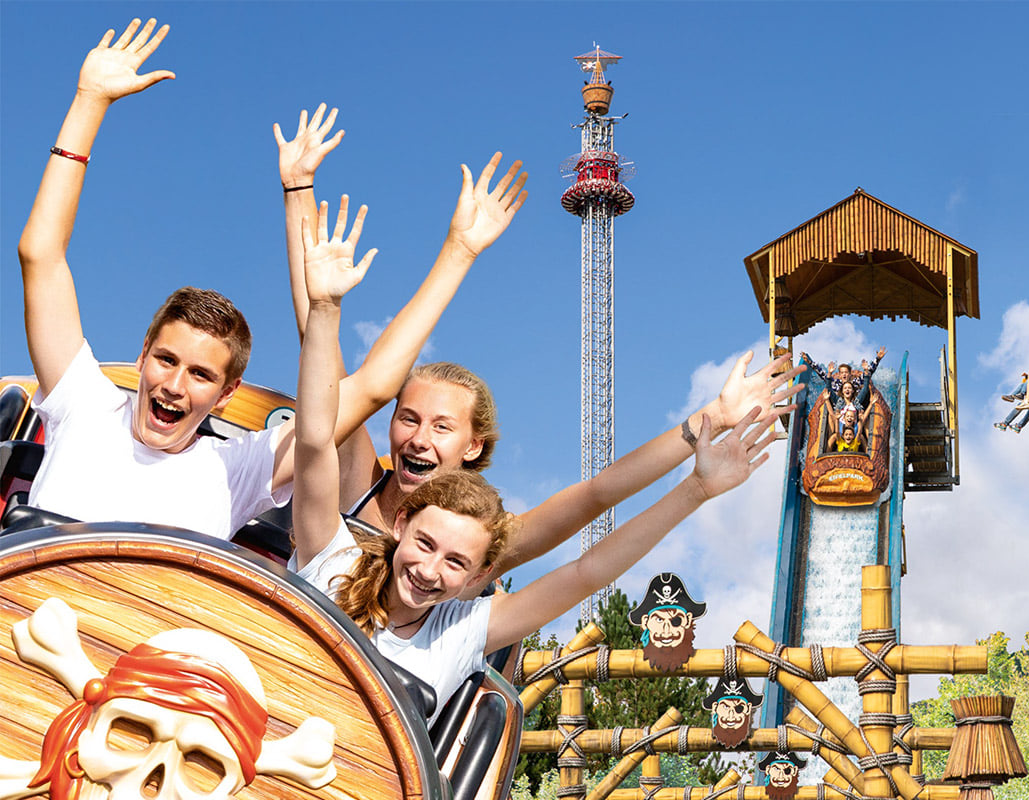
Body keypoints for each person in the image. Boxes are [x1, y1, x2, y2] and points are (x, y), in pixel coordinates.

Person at [17, 20, 524, 540]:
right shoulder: (84, 405)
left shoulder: (236, 469)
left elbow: (373, 387)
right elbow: (40, 255)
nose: (174, 385)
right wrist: (89, 102)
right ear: (143, 354)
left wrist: (459, 251)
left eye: (201, 374)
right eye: (167, 360)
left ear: (227, 393)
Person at [277, 106, 806, 585]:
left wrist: (712, 418)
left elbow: (597, 494)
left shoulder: (485, 540)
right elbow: (316, 340)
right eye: (409, 419)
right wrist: (298, 187)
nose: (418, 439)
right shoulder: (357, 481)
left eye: (441, 427)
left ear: (473, 445)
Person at [288, 207, 779, 717]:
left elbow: (589, 547)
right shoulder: (335, 556)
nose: (430, 569)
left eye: (456, 561)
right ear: (401, 526)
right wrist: (321, 294)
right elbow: (319, 424)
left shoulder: (460, 622)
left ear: (478, 575)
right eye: (408, 419)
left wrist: (701, 459)